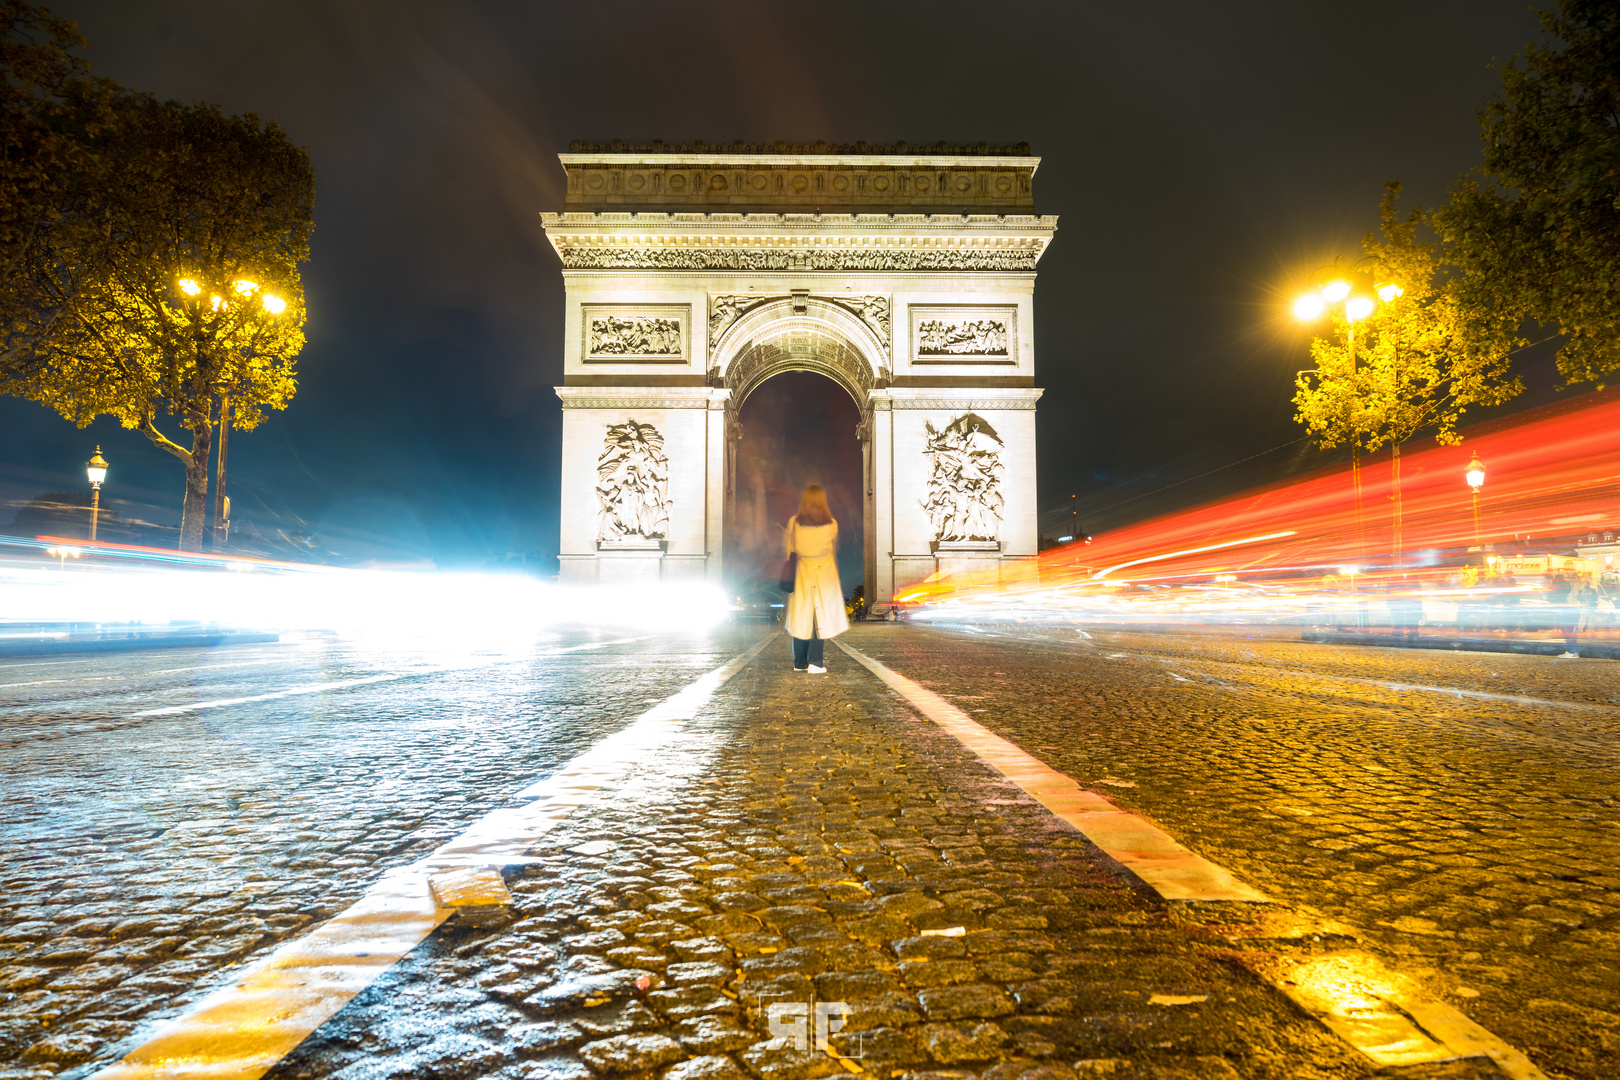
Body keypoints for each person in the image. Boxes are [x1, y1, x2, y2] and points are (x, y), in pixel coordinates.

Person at [782, 484, 850, 673]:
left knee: (800, 616)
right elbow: (832, 550)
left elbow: (789, 549)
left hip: (802, 573)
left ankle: (799, 662)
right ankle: (816, 662)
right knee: (818, 617)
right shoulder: (832, 524)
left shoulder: (794, 522)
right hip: (824, 575)